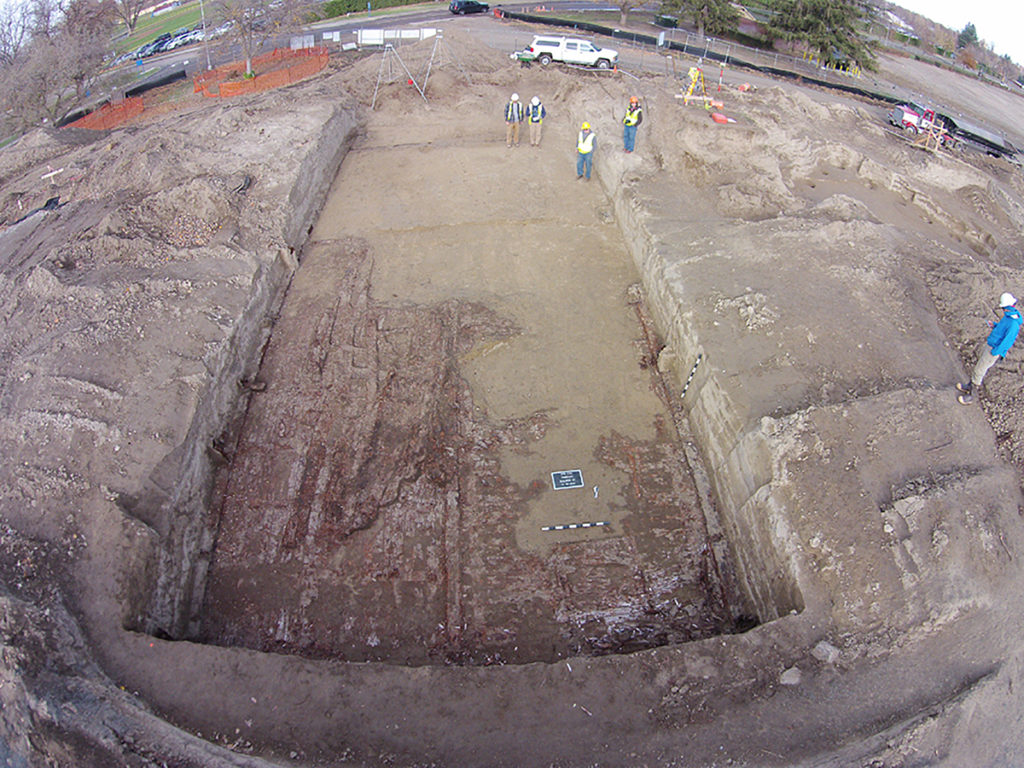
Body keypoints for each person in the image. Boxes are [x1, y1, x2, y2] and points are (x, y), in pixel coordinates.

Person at [957, 292, 1022, 404]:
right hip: (991, 345)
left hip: (994, 349)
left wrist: (996, 351)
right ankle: (969, 386)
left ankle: (971, 395)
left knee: (980, 370)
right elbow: (1002, 330)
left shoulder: (1013, 324)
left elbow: (1007, 341)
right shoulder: (1008, 318)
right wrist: (995, 326)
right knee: (979, 366)